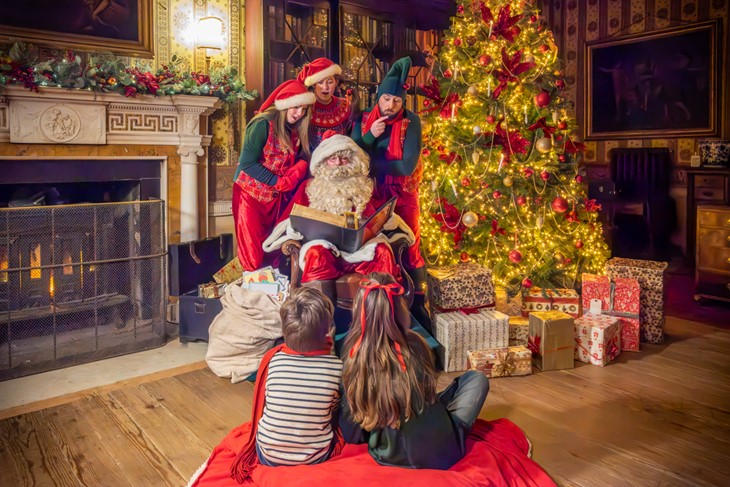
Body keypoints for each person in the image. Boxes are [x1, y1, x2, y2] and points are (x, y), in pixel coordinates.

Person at [339, 272, 490, 470]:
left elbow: (353, 432)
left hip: (390, 456)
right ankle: (444, 426)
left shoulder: (353, 358)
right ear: (401, 309)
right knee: (476, 379)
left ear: (359, 311)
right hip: (447, 449)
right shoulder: (418, 344)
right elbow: (428, 394)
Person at [262, 131, 409, 304]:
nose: (338, 163)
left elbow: (374, 217)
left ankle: (380, 312)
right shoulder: (309, 188)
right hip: (326, 252)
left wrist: (386, 221)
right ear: (323, 162)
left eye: (343, 159)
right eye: (333, 159)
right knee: (316, 253)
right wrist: (294, 229)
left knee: (382, 251)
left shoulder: (362, 187)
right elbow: (290, 220)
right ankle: (321, 314)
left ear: (353, 162)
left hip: (357, 252)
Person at [230, 287, 345, 483]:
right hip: (315, 456)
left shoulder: (274, 360)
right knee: (335, 406)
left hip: (268, 454)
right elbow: (333, 409)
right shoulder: (336, 367)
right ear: (327, 331)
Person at [351, 57, 428, 317]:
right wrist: (370, 136)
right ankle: (378, 300)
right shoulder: (363, 119)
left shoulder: (411, 122)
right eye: (386, 99)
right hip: (371, 193)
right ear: (378, 97)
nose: (391, 105)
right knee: (375, 244)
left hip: (403, 192)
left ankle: (417, 303)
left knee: (410, 242)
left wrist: (371, 165)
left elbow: (406, 166)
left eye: (396, 100)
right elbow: (354, 155)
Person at [232, 79, 315, 271]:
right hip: (250, 196)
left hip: (275, 199)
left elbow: (302, 155)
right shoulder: (262, 124)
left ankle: (272, 286)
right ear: (284, 105)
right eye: (296, 107)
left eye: (304, 109)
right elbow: (246, 163)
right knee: (253, 254)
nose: (299, 113)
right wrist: (277, 181)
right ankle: (254, 286)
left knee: (272, 248)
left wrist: (300, 167)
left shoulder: (295, 128)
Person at [297, 58, 354, 148]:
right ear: (314, 84)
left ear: (336, 82)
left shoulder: (346, 106)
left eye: (330, 82)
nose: (325, 87)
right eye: (320, 82)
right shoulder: (305, 109)